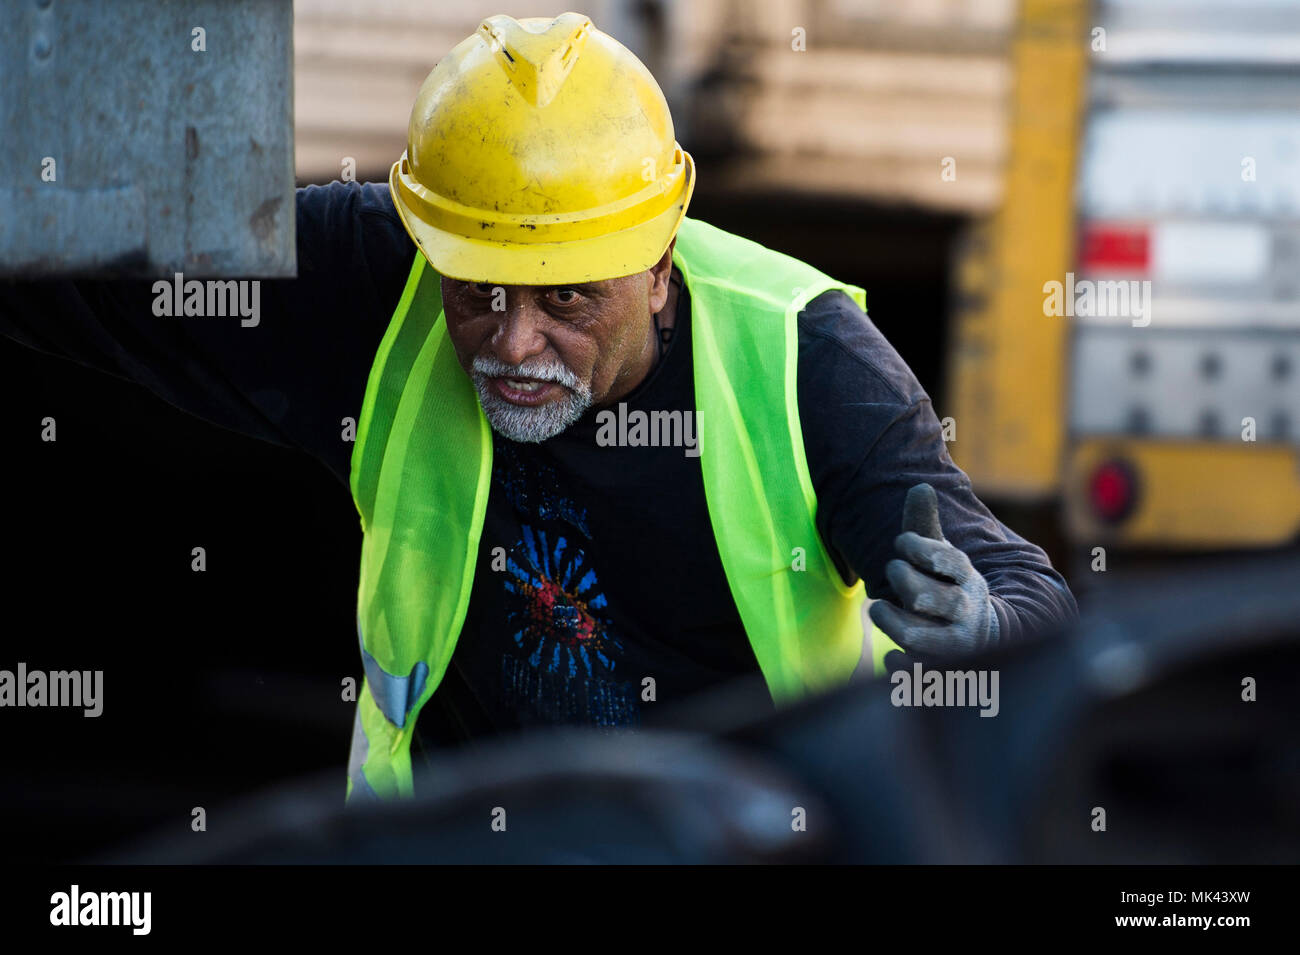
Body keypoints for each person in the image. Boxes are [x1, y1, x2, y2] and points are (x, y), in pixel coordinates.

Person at [0, 13, 1077, 803]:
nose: (514, 345)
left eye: (566, 298)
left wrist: (982, 635)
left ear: (657, 271)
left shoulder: (804, 357)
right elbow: (75, 261)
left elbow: (1031, 597)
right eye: (481, 294)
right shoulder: (383, 278)